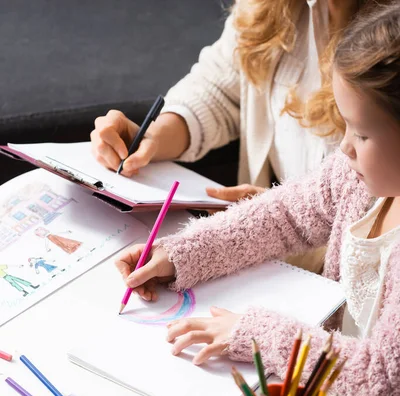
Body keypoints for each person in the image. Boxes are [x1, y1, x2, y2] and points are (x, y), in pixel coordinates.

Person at [114, 2, 400, 396]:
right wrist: (180, 255)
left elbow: (381, 384)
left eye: (360, 132)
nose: (344, 147)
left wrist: (255, 335)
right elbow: (282, 215)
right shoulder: (356, 175)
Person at [90, 0, 371, 272]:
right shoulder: (267, 6)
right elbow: (224, 87)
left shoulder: (386, 39)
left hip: (335, 278)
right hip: (274, 253)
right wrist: (154, 135)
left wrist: (275, 216)